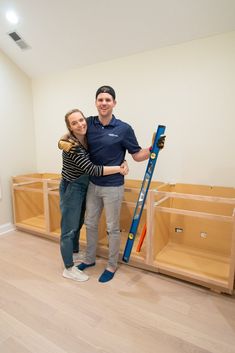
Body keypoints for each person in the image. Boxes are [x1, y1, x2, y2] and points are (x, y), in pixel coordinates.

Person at [75, 85, 165, 283]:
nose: (104, 103)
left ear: (114, 103)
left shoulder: (124, 129)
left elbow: (137, 155)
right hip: (92, 183)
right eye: (100, 99)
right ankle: (89, 259)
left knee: (112, 228)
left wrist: (152, 148)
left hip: (113, 186)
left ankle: (111, 265)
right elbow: (74, 132)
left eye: (108, 100)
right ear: (96, 102)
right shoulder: (88, 123)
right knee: (89, 223)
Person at [58, 108, 128, 282]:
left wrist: (124, 159)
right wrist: (119, 168)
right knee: (68, 229)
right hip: (72, 187)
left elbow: (107, 152)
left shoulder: (87, 137)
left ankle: (74, 254)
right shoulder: (73, 146)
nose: (80, 124)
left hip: (85, 186)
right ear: (70, 127)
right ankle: (68, 267)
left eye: (81, 120)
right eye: (74, 123)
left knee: (79, 223)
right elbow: (92, 169)